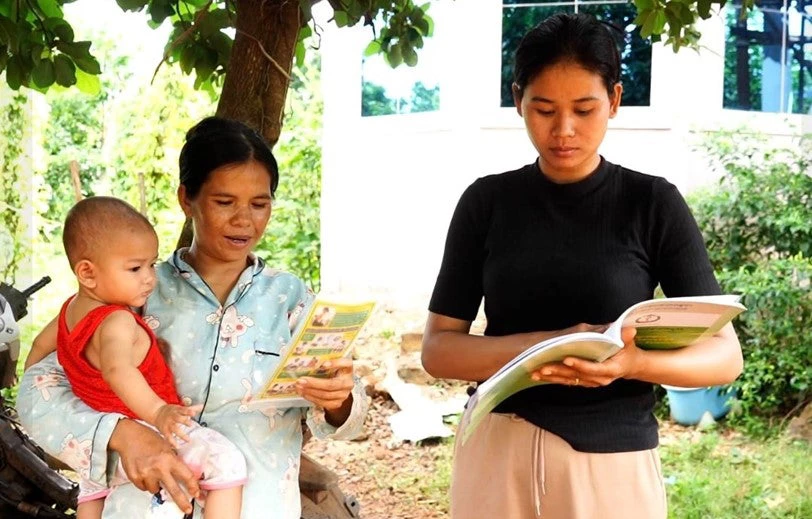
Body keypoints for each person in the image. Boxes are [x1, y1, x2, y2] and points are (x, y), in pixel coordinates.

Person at [420, 13, 743, 519]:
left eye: (584, 109)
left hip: (613, 464)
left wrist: (631, 364)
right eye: (543, 109)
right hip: (496, 450)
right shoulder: (487, 202)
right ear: (517, 101)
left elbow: (724, 357)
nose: (563, 130)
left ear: (614, 101)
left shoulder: (652, 203)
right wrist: (552, 345)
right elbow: (439, 351)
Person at [19, 116, 368, 519]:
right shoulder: (135, 291)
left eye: (260, 204)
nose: (244, 220)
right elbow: (38, 392)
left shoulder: (291, 300)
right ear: (187, 198)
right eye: (224, 202)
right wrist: (121, 433)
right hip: (142, 506)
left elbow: (351, 412)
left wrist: (338, 400)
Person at [24, 196, 247, 519]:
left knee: (93, 488)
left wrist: (32, 376)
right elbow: (118, 370)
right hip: (147, 431)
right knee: (226, 461)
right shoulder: (117, 321)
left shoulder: (68, 313)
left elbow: (39, 350)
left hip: (105, 440)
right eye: (135, 268)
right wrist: (159, 413)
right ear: (87, 273)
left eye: (152, 264)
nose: (149, 278)